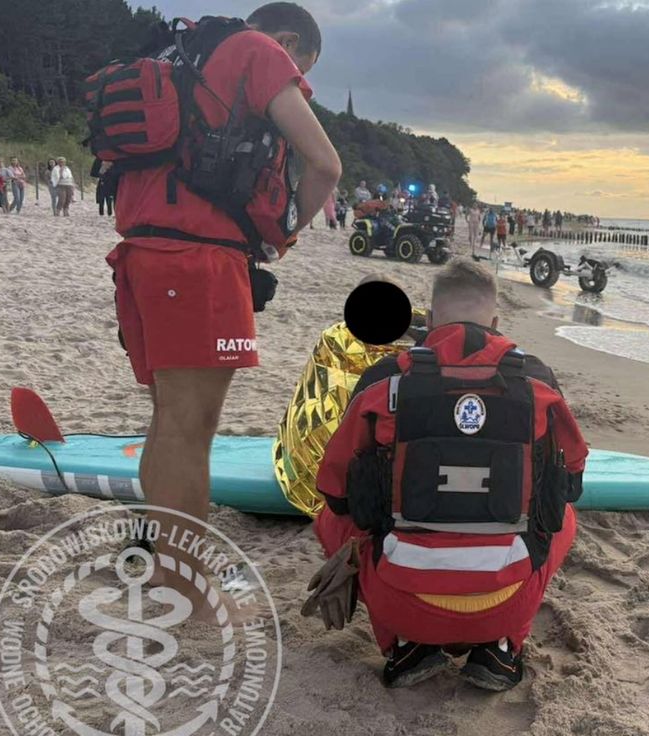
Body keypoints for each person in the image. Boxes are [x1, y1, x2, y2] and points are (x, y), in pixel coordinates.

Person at [105, 2, 340, 611]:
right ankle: (182, 583)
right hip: (200, 261)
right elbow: (325, 163)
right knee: (191, 429)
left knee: (167, 420)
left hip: (142, 251)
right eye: (302, 68)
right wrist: (279, 238)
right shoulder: (259, 52)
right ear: (288, 41)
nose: (297, 80)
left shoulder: (179, 53)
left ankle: (164, 564)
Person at [304, 260, 587, 691]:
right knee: (565, 518)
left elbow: (335, 491)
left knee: (329, 518)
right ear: (495, 322)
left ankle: (405, 646)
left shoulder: (385, 380)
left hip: (403, 601)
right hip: (506, 601)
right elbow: (572, 483)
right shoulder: (537, 381)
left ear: (431, 320)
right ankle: (502, 648)